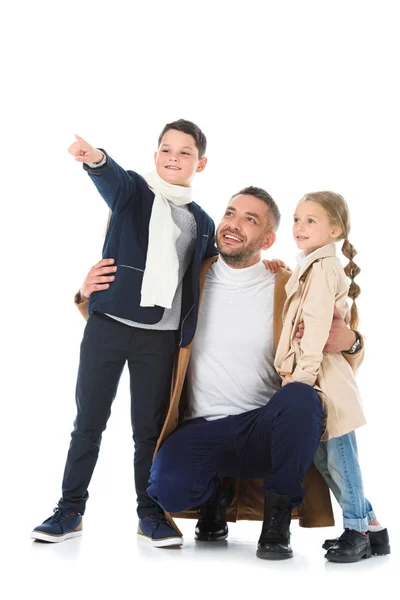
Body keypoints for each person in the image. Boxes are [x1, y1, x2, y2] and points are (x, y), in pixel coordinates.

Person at [140, 186, 363, 560]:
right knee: (167, 489)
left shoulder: (289, 284)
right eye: (230, 213)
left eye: (250, 219)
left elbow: (340, 350)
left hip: (266, 430)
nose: (233, 224)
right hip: (200, 427)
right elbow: (142, 323)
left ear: (268, 239)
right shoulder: (191, 280)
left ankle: (275, 521)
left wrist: (351, 341)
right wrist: (89, 297)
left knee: (301, 397)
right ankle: (216, 496)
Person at [31, 119, 217, 547]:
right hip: (108, 328)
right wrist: (95, 158)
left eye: (185, 152)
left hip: (161, 339)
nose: (174, 157)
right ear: (155, 157)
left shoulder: (201, 223)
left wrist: (274, 266)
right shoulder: (133, 192)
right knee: (88, 424)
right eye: (166, 150)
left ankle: (150, 514)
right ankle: (69, 510)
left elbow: (215, 271)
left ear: (200, 163)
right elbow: (108, 176)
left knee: (148, 431)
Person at [274, 191, 390, 563]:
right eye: (296, 218)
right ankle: (373, 529)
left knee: (341, 458)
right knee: (324, 461)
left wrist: (302, 378)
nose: (299, 226)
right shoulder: (310, 267)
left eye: (311, 220)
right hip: (315, 376)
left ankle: (355, 530)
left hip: (326, 380)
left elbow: (317, 329)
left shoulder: (324, 268)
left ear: (335, 229)